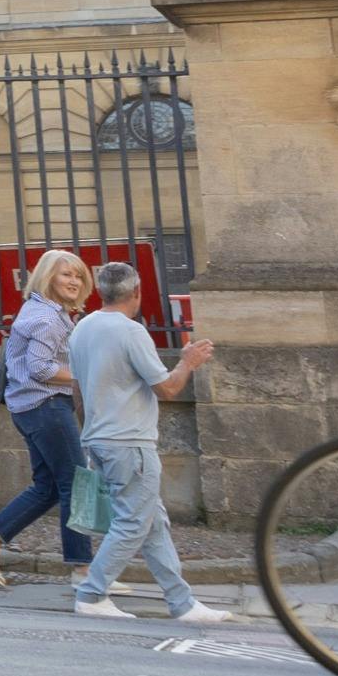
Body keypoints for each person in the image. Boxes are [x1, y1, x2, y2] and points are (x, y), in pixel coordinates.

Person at [63, 261, 227, 625]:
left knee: (152, 524)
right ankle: (91, 594)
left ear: (102, 290)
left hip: (99, 437)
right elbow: (167, 388)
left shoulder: (82, 328)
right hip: (130, 441)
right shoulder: (131, 332)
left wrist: (89, 432)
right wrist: (188, 362)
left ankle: (182, 602)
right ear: (136, 293)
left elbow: (77, 390)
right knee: (133, 524)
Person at [0, 250, 92, 588]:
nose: (74, 281)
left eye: (78, 276)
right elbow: (40, 368)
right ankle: (83, 570)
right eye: (66, 275)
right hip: (46, 405)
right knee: (75, 485)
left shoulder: (40, 309)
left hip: (30, 408)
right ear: (48, 277)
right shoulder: (49, 317)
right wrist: (82, 374)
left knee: (48, 486)